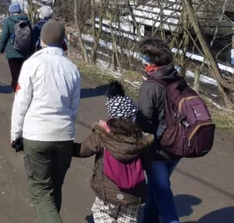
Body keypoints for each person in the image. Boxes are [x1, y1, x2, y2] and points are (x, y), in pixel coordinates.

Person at [11, 19, 81, 223]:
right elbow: (74, 107)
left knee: (41, 192)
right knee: (54, 188)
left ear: (41, 39)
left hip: (37, 135)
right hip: (65, 136)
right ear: (63, 41)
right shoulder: (72, 68)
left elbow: (21, 103)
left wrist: (16, 134)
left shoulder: (32, 64)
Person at [73, 82, 152, 223]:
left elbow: (83, 150)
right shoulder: (142, 140)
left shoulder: (103, 135)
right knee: (127, 218)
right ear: (132, 117)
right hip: (134, 195)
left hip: (108, 192)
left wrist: (63, 146)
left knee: (101, 212)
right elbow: (147, 164)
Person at [135, 37, 183, 223]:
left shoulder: (151, 86)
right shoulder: (177, 78)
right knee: (156, 188)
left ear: (150, 61)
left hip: (159, 148)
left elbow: (143, 121)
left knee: (163, 195)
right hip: (177, 143)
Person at [0, 2, 33, 91]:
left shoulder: (8, 21)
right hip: (25, 51)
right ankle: (24, 91)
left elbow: (4, 36)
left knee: (15, 75)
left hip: (12, 52)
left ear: (10, 11)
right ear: (20, 11)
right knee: (23, 74)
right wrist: (31, 50)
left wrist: (1, 48)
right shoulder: (26, 21)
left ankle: (17, 93)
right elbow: (31, 36)